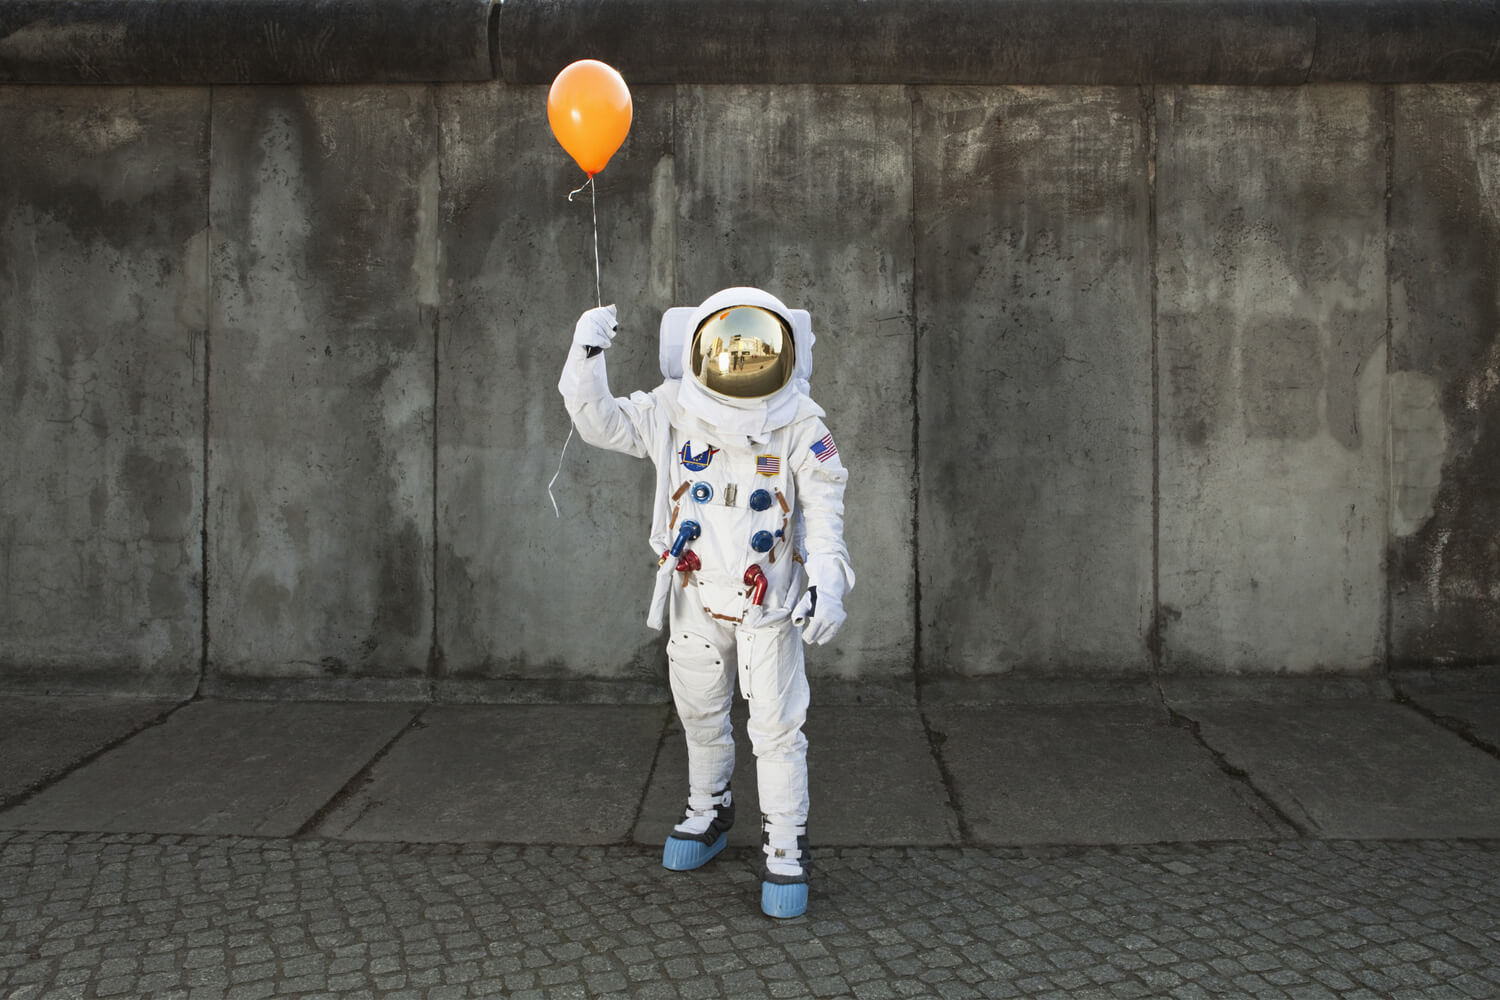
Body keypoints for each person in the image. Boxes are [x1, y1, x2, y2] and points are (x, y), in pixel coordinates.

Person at [557, 287, 854, 919]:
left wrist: (829, 582)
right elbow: (599, 422)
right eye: (729, 350)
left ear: (785, 353)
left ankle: (785, 842)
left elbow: (826, 515)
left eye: (756, 352)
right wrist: (586, 354)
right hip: (695, 592)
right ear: (697, 349)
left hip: (768, 600)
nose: (740, 365)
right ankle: (710, 809)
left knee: (776, 725)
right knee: (699, 712)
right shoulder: (673, 408)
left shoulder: (801, 424)